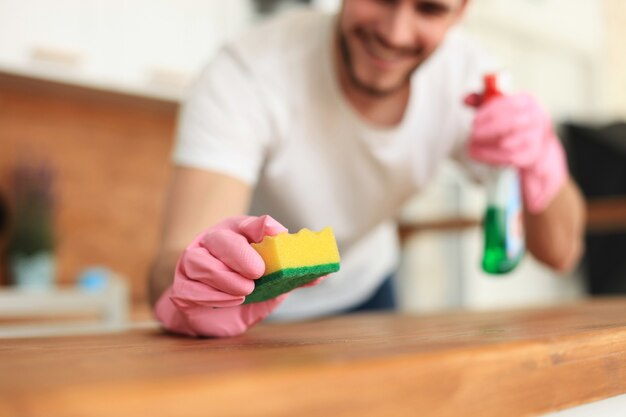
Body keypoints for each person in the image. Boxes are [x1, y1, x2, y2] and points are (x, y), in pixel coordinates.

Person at [149, 0, 585, 337]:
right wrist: (192, 292)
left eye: (429, 8)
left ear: (460, 12)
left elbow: (561, 251)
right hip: (246, 306)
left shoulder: (474, 82)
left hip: (368, 288)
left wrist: (542, 158)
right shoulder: (247, 73)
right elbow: (173, 262)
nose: (396, 34)